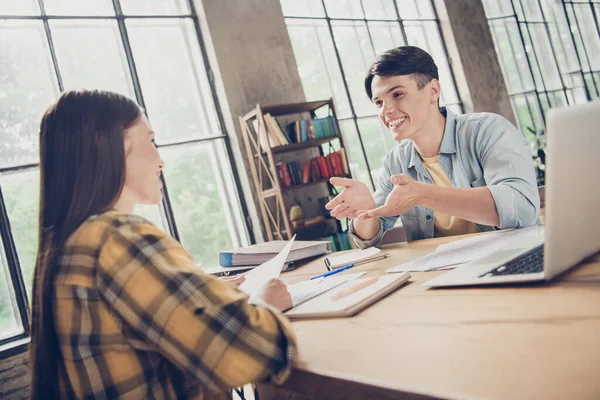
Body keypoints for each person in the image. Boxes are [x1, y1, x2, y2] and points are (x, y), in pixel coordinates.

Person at [30, 90, 296, 399]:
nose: (161, 160)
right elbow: (254, 352)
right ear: (110, 145)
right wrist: (263, 303)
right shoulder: (117, 238)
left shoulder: (66, 248)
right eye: (152, 141)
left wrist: (201, 294)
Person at [325, 46, 540, 247]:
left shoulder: (487, 130)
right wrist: (366, 210)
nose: (386, 111)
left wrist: (423, 194)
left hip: (511, 257)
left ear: (433, 90)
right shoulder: (396, 161)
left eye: (397, 94)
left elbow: (522, 209)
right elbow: (368, 238)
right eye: (379, 102)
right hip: (442, 274)